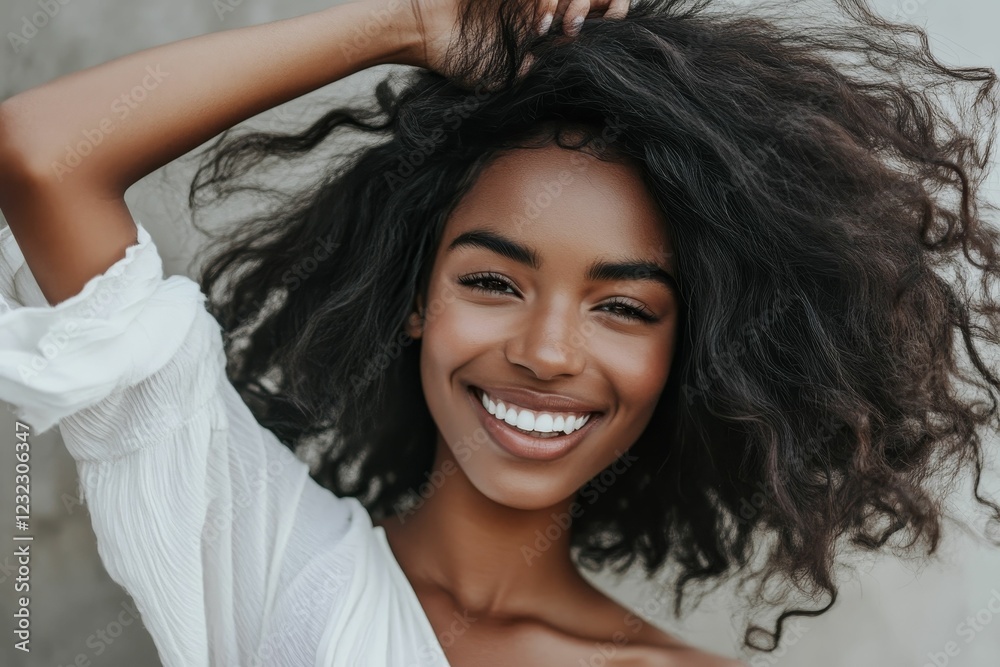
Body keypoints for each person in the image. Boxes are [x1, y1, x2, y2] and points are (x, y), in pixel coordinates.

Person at [1, 0, 998, 665]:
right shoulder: (268, 559)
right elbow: (43, 155)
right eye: (492, 279)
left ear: (679, 353)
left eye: (623, 306)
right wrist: (410, 21)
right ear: (412, 297)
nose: (548, 351)